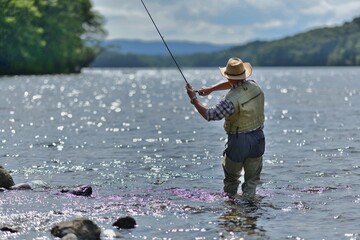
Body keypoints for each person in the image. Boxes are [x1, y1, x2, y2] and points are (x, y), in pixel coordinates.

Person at [186, 57, 265, 199]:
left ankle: (231, 214)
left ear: (228, 76)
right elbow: (234, 84)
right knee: (252, 182)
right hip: (258, 139)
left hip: (239, 141)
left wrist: (194, 99)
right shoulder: (254, 86)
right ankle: (251, 214)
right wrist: (211, 89)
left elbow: (210, 115)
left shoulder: (230, 101)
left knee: (231, 181)